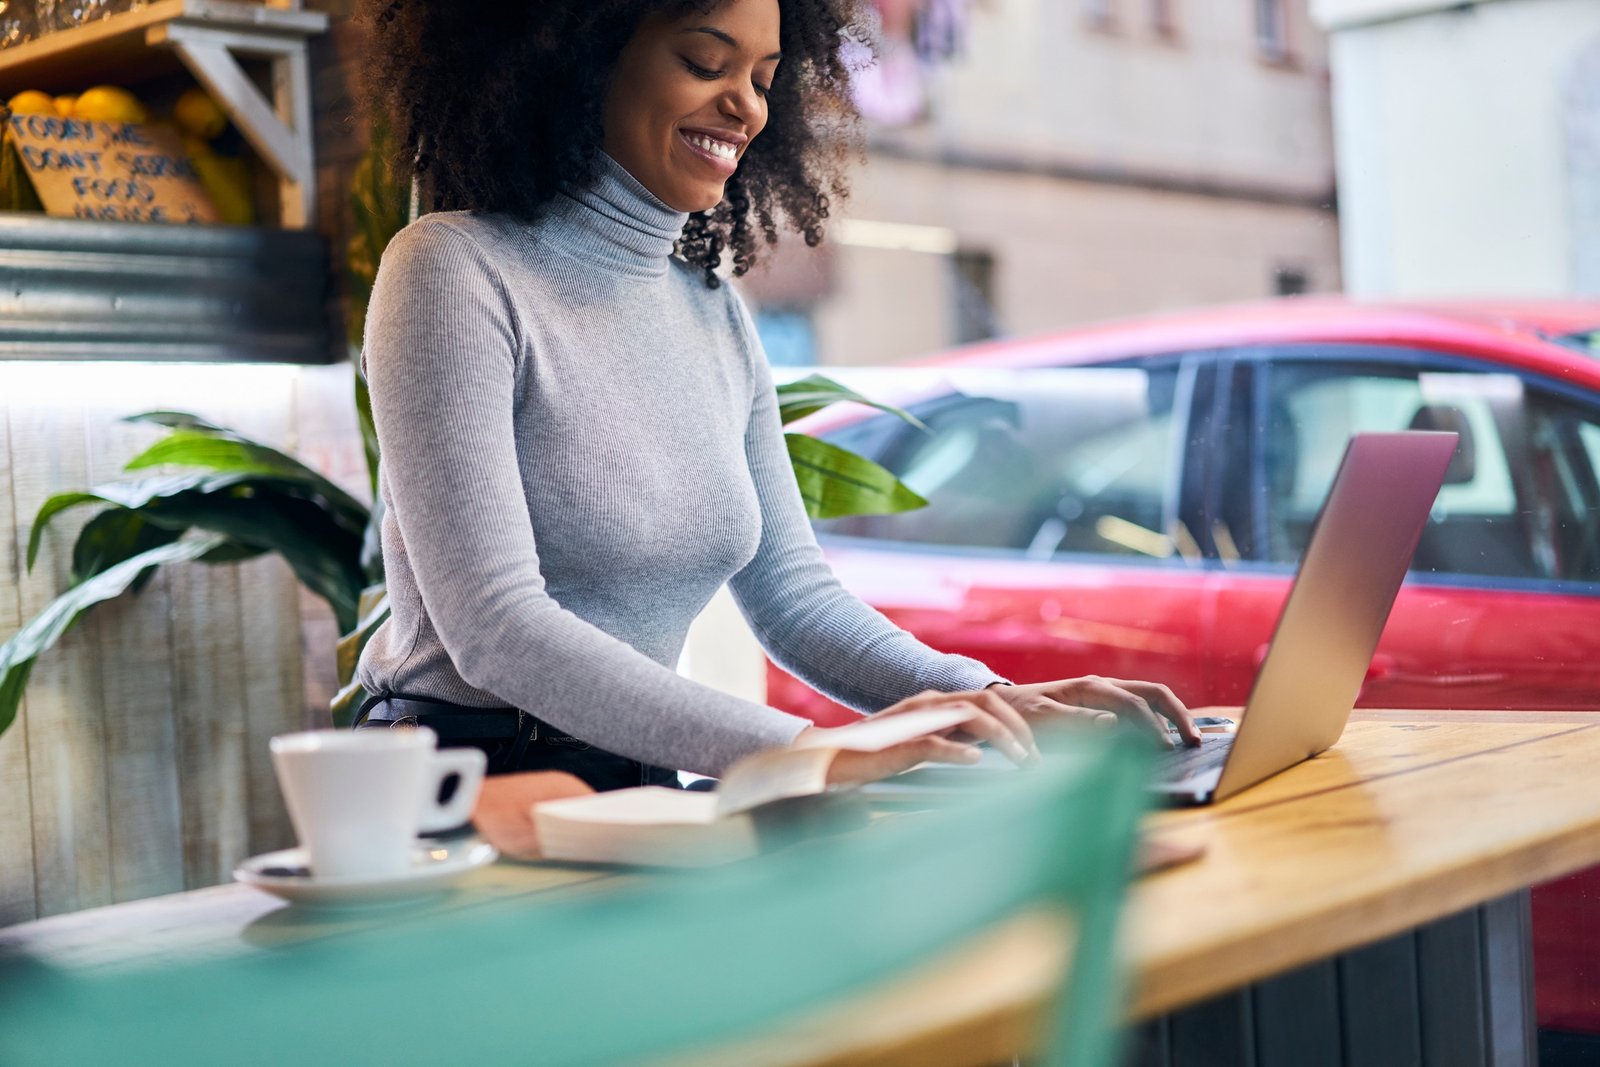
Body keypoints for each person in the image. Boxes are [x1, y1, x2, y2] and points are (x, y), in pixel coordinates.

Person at [354, 0, 1199, 796]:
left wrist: (999, 699)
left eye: (763, 80)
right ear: (575, 53)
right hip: (467, 785)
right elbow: (496, 629)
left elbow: (795, 600)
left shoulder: (710, 307)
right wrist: (811, 752)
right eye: (703, 62)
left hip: (638, 777)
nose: (745, 110)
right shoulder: (451, 271)